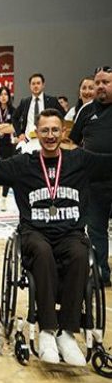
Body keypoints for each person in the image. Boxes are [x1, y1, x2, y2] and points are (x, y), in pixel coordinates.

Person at [0, 109, 112, 362]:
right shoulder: (24, 163)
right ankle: (47, 330)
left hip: (70, 233)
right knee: (42, 251)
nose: (50, 135)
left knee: (80, 253)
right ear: (37, 132)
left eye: (55, 130)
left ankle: (67, 333)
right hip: (35, 233)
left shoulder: (79, 159)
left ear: (63, 132)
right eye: (44, 130)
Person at [70, 66, 112, 287]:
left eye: (106, 82)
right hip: (94, 183)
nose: (100, 86)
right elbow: (72, 142)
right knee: (96, 229)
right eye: (98, 83)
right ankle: (101, 273)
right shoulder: (86, 111)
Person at [12, 73, 64, 151]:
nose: (35, 86)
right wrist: (19, 134)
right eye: (33, 84)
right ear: (30, 86)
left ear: (43, 85)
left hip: (46, 140)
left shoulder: (52, 100)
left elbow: (63, 115)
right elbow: (14, 117)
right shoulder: (25, 102)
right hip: (28, 140)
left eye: (38, 83)